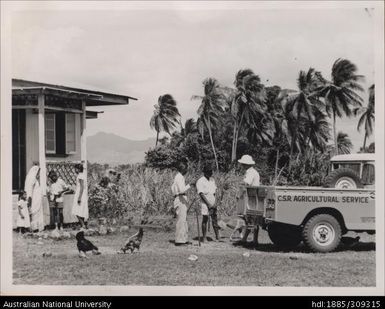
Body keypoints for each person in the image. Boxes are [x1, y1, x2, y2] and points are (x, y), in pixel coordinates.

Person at [237, 154, 260, 245]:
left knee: (250, 219)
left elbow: (246, 183)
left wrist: (239, 188)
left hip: (252, 198)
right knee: (254, 219)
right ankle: (254, 240)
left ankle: (245, 239)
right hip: (254, 197)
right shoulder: (253, 172)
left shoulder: (250, 172)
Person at [171, 161, 193, 246]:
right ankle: (179, 241)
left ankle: (184, 239)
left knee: (184, 220)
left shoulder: (179, 177)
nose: (187, 170)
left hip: (181, 198)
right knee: (181, 220)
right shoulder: (179, 177)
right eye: (186, 168)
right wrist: (190, 185)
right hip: (180, 198)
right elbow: (181, 190)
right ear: (183, 168)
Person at [196, 164, 220, 242]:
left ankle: (217, 236)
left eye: (211, 171)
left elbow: (215, 192)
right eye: (209, 171)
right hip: (205, 201)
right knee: (205, 219)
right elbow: (201, 193)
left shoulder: (212, 180)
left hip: (213, 200)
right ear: (205, 172)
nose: (211, 173)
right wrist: (208, 204)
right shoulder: (200, 181)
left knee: (214, 218)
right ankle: (204, 237)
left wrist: (215, 202)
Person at [24, 164, 44, 232]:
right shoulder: (32, 179)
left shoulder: (35, 179)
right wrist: (29, 200)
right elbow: (30, 190)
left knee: (37, 212)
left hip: (37, 200)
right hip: (34, 199)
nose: (39, 174)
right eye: (38, 173)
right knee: (34, 212)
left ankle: (37, 227)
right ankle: (33, 227)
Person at [71, 163, 89, 230]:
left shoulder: (80, 176)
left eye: (75, 169)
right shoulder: (83, 175)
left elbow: (81, 187)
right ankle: (82, 225)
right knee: (81, 210)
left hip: (80, 193)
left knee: (76, 210)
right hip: (83, 193)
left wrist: (79, 197)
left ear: (78, 169)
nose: (75, 170)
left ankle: (83, 225)